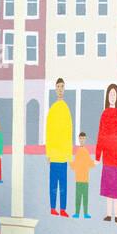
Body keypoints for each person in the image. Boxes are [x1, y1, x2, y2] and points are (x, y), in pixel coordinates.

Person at [96, 83, 117, 223]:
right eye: (110, 94)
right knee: (109, 187)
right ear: (107, 97)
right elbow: (101, 135)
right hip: (107, 158)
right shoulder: (104, 114)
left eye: (115, 94)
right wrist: (97, 156)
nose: (112, 96)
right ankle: (109, 214)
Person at [46, 78, 73, 217]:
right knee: (53, 184)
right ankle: (52, 207)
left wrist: (69, 155)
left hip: (63, 156)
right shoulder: (52, 109)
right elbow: (49, 132)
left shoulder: (66, 109)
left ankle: (62, 208)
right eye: (58, 86)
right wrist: (48, 153)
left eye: (62, 86)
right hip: (54, 154)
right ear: (55, 89)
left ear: (64, 88)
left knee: (63, 184)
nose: (60, 89)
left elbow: (69, 132)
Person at [70, 131, 95, 218]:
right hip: (78, 178)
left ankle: (85, 213)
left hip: (85, 178)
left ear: (85, 139)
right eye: (81, 138)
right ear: (79, 139)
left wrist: (94, 163)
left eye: (83, 138)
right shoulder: (78, 152)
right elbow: (74, 165)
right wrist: (71, 164)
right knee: (78, 196)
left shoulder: (86, 152)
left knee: (85, 197)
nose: (82, 140)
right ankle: (77, 213)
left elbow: (90, 163)